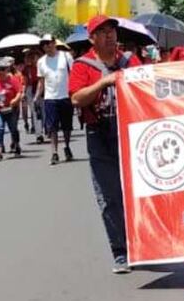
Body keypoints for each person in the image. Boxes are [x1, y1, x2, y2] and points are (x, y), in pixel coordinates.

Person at [69, 15, 141, 273]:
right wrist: (103, 82)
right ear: (92, 39)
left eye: (112, 30)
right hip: (100, 135)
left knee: (139, 192)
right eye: (103, 32)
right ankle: (120, 252)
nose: (110, 35)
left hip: (132, 134)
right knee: (109, 196)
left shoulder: (130, 61)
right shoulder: (82, 65)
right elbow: (77, 99)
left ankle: (143, 245)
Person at [37, 34, 74, 165]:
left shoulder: (65, 56)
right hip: (50, 97)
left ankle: (67, 146)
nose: (47, 46)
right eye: (44, 44)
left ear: (54, 43)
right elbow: (41, 82)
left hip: (65, 96)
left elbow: (73, 75)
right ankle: (54, 152)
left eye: (49, 43)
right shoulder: (41, 62)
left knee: (67, 126)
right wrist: (37, 97)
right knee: (52, 127)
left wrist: (75, 92)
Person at [0, 57, 23, 161]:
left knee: (13, 129)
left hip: (11, 109)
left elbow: (19, 92)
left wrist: (15, 100)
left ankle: (16, 144)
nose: (0, 71)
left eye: (2, 69)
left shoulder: (13, 79)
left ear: (7, 69)